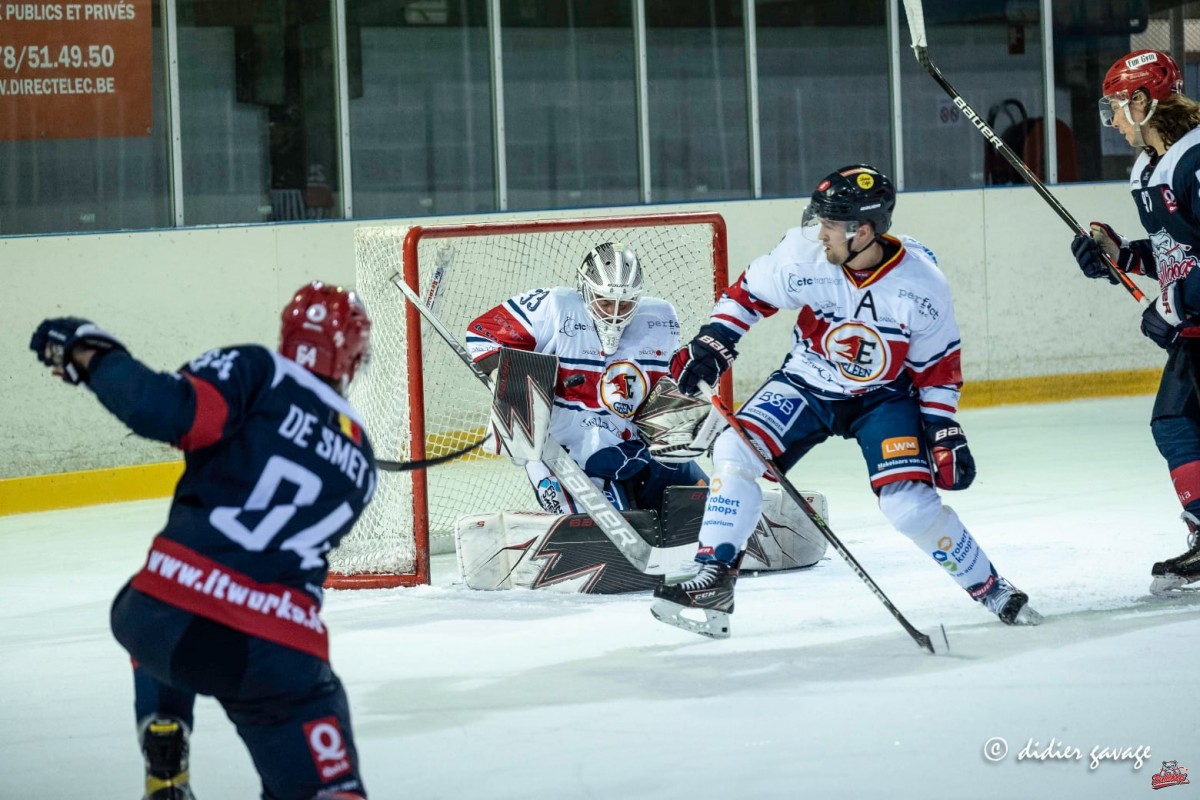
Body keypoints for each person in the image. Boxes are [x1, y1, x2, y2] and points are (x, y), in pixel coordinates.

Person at [653, 164, 1042, 637]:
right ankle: (714, 575)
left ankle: (991, 587)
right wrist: (715, 340)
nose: (819, 235)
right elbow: (748, 294)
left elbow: (937, 370)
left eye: (830, 226)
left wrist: (943, 429)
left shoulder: (921, 286)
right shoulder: (805, 257)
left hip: (883, 398)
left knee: (910, 506)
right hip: (806, 383)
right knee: (735, 451)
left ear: (863, 231)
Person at [29, 282, 375, 800]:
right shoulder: (361, 456)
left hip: (157, 615)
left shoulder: (257, 370)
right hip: (270, 647)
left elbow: (166, 410)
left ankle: (164, 719)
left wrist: (88, 352)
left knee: (178, 605)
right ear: (351, 355)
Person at [1069, 49, 1200, 595]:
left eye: (1118, 108)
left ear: (1144, 101)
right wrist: (1122, 256)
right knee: (1174, 424)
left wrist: (1173, 303)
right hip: (1195, 329)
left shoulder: (1196, 160)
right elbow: (1177, 251)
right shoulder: (1152, 168)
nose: (1114, 121)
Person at [465, 241, 707, 515]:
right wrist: (515, 388)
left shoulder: (659, 319)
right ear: (585, 290)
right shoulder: (553, 307)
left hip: (629, 446)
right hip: (558, 450)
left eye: (625, 304)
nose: (615, 314)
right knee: (608, 529)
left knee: (704, 502)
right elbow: (482, 334)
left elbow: (664, 386)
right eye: (605, 302)